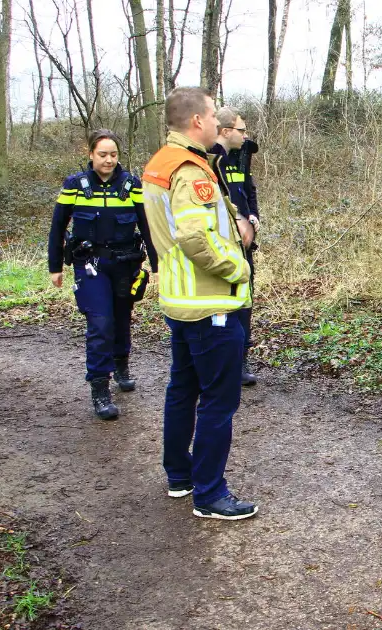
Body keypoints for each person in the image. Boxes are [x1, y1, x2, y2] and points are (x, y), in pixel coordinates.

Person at [142, 86, 259, 520]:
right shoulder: (190, 171)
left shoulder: (159, 163)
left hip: (179, 298)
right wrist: (238, 269)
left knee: (183, 388)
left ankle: (180, 475)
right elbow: (194, 236)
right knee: (217, 400)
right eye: (212, 116)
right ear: (196, 121)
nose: (216, 122)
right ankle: (210, 494)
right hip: (209, 301)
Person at [48, 130, 157, 421]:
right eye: (102, 154)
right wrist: (55, 266)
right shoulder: (75, 185)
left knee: (121, 318)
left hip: (124, 263)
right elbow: (58, 227)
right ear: (91, 155)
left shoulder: (131, 184)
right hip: (89, 264)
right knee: (100, 322)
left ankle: (121, 364)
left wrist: (157, 265)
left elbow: (147, 226)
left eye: (113, 154)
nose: (108, 160)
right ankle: (100, 388)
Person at [209, 107, 261, 386]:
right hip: (222, 244)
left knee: (244, 299)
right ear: (226, 131)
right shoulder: (209, 160)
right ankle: (221, 361)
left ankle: (240, 360)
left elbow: (248, 191)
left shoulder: (242, 158)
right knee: (222, 302)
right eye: (241, 130)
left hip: (245, 244)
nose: (245, 135)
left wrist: (252, 219)